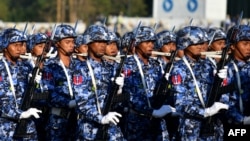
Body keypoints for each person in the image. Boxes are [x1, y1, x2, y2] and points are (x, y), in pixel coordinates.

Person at [169, 26, 229, 140]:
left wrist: (223, 82)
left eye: (203, 43)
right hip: (192, 128)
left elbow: (218, 91)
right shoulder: (179, 68)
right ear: (185, 44)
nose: (202, 46)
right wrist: (206, 112)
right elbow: (180, 105)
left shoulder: (209, 64)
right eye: (197, 44)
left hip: (213, 126)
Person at [122, 26, 177, 141]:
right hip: (138, 122)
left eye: (152, 42)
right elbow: (131, 96)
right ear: (137, 43)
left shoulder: (156, 64)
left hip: (158, 121)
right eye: (147, 42)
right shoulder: (127, 65)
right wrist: (152, 112)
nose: (151, 45)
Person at [72, 24, 125, 141]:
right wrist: (100, 118)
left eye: (104, 42)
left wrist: (119, 90)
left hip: (110, 125)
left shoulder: (111, 67)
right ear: (89, 43)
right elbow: (82, 103)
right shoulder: (81, 69)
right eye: (98, 41)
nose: (102, 45)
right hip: (90, 129)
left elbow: (116, 102)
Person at [0, 28, 42, 140]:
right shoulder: (1, 68)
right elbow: (2, 101)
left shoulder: (26, 66)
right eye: (15, 45)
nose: (19, 48)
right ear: (5, 46)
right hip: (7, 127)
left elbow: (36, 97)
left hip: (28, 126)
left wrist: (37, 85)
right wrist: (20, 114)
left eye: (21, 44)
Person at [41, 24, 78, 140]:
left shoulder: (79, 65)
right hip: (58, 120)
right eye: (67, 42)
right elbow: (49, 94)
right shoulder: (50, 66)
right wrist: (69, 102)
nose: (71, 45)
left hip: (77, 119)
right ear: (57, 43)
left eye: (73, 41)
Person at [223, 25, 250, 139]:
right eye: (245, 44)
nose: (249, 47)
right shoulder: (225, 70)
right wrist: (242, 120)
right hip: (235, 127)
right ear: (233, 46)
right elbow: (223, 103)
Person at [26, 32, 50, 141]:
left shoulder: (51, 67)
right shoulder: (26, 67)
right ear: (31, 48)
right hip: (31, 116)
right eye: (40, 46)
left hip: (48, 116)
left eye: (46, 47)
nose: (44, 49)